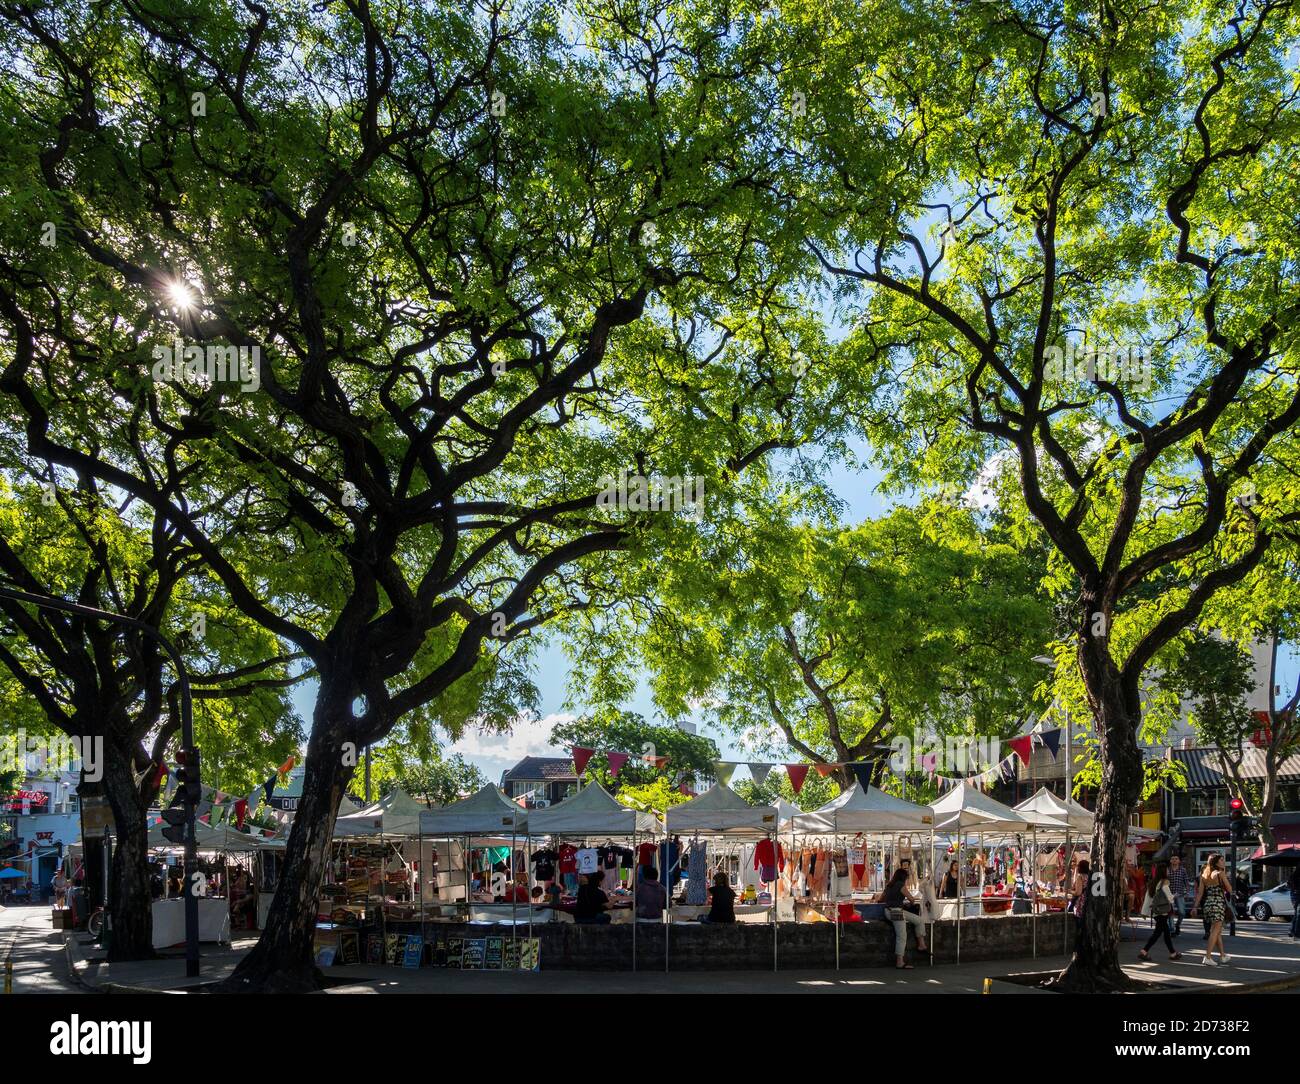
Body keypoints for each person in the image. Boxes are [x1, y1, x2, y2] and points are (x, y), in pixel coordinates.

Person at [875, 867, 928, 968]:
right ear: (903, 877)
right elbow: (911, 899)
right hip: (896, 912)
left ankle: (921, 945)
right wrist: (909, 901)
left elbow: (881, 899)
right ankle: (900, 962)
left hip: (889, 911)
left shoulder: (889, 885)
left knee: (919, 920)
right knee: (902, 936)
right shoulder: (901, 885)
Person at [1191, 852, 1232, 966]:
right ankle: (1207, 957)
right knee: (1215, 931)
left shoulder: (1204, 875)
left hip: (1208, 904)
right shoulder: (1220, 873)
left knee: (1217, 932)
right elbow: (1229, 889)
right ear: (1216, 862)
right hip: (1218, 904)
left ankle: (1223, 956)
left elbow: (1200, 893)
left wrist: (1195, 907)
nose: (1224, 862)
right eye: (1222, 860)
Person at [1138, 864, 1182, 962]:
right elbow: (1169, 898)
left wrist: (1144, 912)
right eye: (1167, 870)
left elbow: (1148, 898)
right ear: (1163, 872)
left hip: (1156, 911)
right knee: (1157, 933)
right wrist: (1175, 895)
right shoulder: (1164, 882)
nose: (1168, 871)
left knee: (1165, 933)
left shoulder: (1154, 882)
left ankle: (1173, 953)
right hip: (1162, 912)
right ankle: (1144, 951)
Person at [1167, 854, 1191, 935]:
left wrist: (1187, 892)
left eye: (1176, 859)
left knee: (1182, 912)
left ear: (1179, 861)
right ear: (1170, 861)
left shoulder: (1182, 870)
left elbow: (1186, 882)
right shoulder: (1167, 870)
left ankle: (1177, 925)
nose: (1174, 860)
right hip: (1169, 894)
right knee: (1170, 912)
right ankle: (1172, 929)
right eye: (1172, 859)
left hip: (1180, 894)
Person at [1288, 863, 1300, 940]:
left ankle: (1292, 931)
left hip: (1295, 894)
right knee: (1299, 914)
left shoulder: (1294, 875)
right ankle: (1296, 934)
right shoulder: (1295, 876)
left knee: (1297, 913)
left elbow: (1289, 884)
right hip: (1297, 894)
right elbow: (1290, 884)